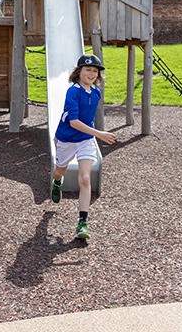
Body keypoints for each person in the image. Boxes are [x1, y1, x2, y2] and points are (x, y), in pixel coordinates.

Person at [51, 54, 117, 240]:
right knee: (59, 171)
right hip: (67, 138)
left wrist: (93, 134)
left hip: (86, 139)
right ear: (79, 71)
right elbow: (74, 122)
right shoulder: (73, 91)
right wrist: (100, 134)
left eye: (95, 71)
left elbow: (88, 119)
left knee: (85, 179)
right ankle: (57, 183)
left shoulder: (96, 92)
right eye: (88, 70)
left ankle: (82, 223)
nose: (91, 74)